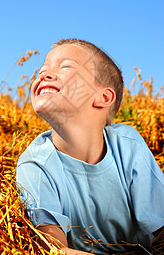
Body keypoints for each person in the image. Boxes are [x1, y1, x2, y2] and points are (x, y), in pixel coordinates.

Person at [16, 38, 164, 254]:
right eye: (42, 69)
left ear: (103, 97)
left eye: (65, 67)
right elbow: (51, 248)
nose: (43, 75)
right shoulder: (34, 164)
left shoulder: (128, 145)